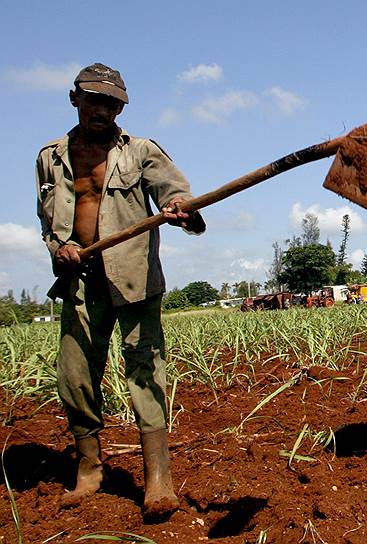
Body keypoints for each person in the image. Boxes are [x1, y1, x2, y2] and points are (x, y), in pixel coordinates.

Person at [35, 63, 205, 515]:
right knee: (74, 376)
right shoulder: (49, 157)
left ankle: (158, 478)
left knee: (146, 371)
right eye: (95, 100)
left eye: (112, 103)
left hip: (133, 278)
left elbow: (175, 193)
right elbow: (46, 220)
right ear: (75, 99)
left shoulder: (141, 151)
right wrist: (60, 246)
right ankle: (89, 468)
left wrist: (179, 207)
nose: (102, 110)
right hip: (80, 281)